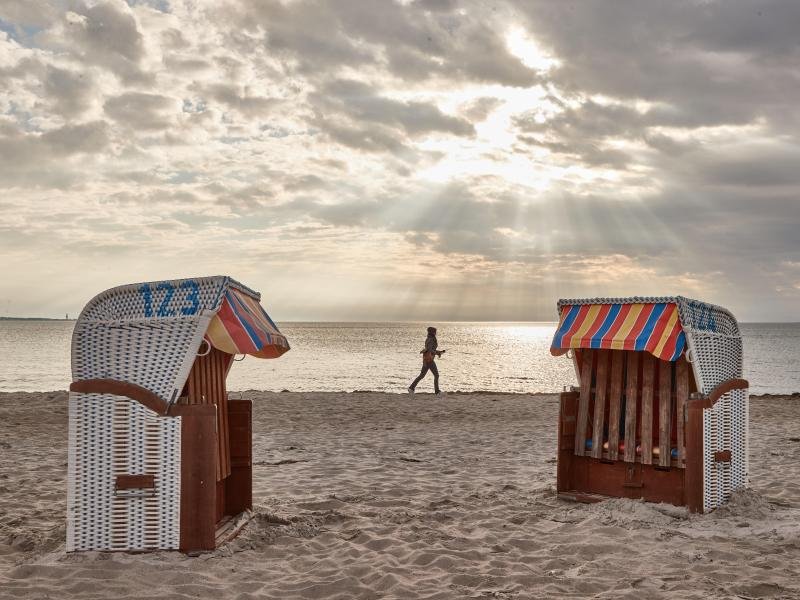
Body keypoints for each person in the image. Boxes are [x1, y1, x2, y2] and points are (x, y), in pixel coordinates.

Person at [408, 326, 445, 395]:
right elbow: (430, 350)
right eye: (435, 331)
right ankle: (437, 392)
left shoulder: (429, 338)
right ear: (433, 332)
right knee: (436, 375)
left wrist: (438, 352)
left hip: (427, 359)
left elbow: (430, 349)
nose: (436, 333)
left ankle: (411, 388)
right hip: (429, 360)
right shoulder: (431, 339)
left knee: (422, 375)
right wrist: (437, 353)